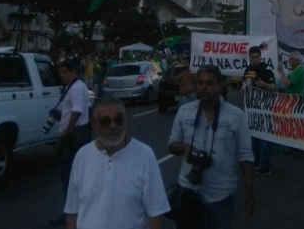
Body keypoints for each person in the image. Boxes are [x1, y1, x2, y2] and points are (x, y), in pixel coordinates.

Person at [167, 65, 255, 229]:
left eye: (209, 83)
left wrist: (249, 192)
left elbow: (246, 156)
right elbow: (171, 145)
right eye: (200, 83)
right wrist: (185, 148)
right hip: (188, 194)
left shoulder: (236, 116)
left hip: (221, 198)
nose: (204, 88)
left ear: (220, 84)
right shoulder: (185, 112)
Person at [64, 97, 170, 229]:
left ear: (125, 121)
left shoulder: (144, 154)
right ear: (94, 125)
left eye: (118, 120)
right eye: (105, 122)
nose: (113, 126)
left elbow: (155, 212)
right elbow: (72, 210)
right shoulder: (82, 155)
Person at [50, 60, 92, 226]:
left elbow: (77, 111)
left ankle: (71, 214)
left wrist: (67, 130)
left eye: (66, 72)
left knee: (68, 175)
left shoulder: (75, 88)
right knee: (72, 175)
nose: (62, 75)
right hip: (77, 133)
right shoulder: (75, 86)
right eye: (60, 73)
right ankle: (74, 211)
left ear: (74, 71)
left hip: (75, 136)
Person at [241, 46, 276, 175]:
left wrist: (264, 85)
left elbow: (273, 88)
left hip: (265, 109)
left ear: (260, 57)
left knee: (265, 139)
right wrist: (243, 88)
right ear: (249, 57)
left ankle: (266, 165)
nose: (255, 59)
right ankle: (255, 161)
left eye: (257, 57)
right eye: (253, 57)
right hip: (252, 109)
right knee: (253, 137)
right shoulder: (248, 69)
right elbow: (244, 84)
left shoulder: (266, 69)